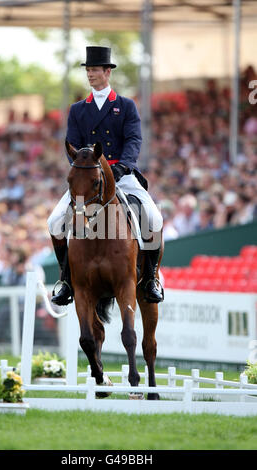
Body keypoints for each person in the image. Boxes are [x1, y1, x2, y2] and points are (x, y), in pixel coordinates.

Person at [47, 46, 164, 305]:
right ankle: (66, 280)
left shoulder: (125, 106)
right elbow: (72, 144)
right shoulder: (78, 109)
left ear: (107, 72)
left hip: (121, 174)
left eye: (95, 70)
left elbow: (134, 138)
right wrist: (81, 169)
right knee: (54, 222)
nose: (90, 74)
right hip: (88, 178)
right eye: (88, 70)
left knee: (154, 219)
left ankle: (151, 278)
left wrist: (124, 165)